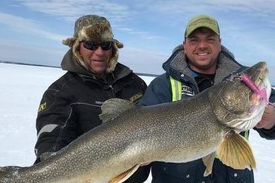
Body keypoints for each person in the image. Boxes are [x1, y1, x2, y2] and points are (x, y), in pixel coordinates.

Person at [138, 15, 275, 183]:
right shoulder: (163, 85)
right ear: (185, 45)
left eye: (209, 39)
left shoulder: (243, 80)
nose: (202, 45)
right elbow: (137, 125)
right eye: (194, 40)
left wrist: (272, 120)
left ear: (220, 42)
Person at [34, 14, 149, 182]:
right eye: (90, 45)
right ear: (76, 46)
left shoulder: (135, 83)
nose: (100, 52)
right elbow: (51, 138)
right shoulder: (60, 92)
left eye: (106, 45)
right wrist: (45, 169)